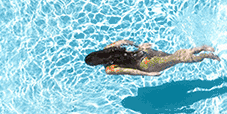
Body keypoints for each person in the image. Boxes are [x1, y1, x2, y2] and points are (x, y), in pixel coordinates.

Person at [84, 39, 220, 76]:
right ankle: (200, 48)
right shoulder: (109, 48)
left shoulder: (109, 69)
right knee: (175, 57)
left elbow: (131, 71)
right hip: (145, 53)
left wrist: (148, 74)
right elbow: (125, 41)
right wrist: (140, 47)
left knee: (177, 58)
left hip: (147, 64)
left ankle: (206, 55)